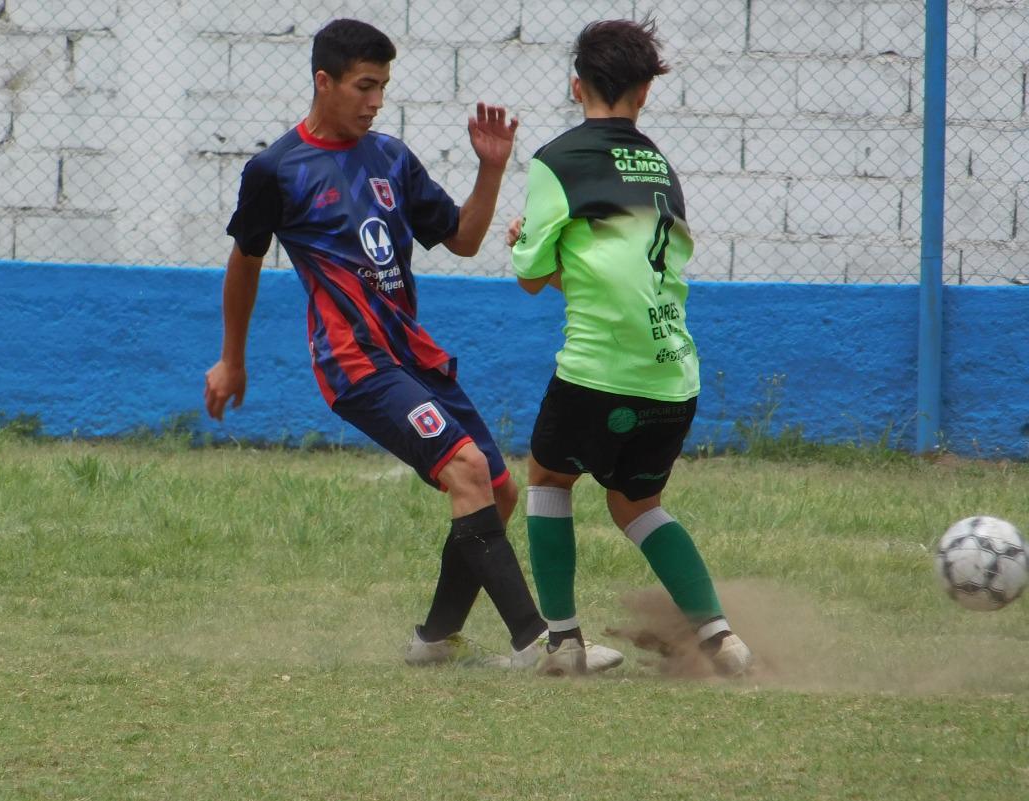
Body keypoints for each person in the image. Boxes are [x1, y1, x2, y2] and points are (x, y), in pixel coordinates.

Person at [205, 18, 595, 673]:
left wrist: (491, 170)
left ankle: (435, 641)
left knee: (495, 493)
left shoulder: (390, 158)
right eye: (364, 86)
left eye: (382, 86)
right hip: (354, 364)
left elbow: (464, 240)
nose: (375, 100)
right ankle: (540, 645)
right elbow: (244, 261)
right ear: (323, 82)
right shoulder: (276, 170)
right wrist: (232, 357)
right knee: (468, 470)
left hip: (412, 354)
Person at [507, 18, 752, 677]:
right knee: (635, 503)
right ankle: (721, 636)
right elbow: (629, 272)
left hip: (599, 371)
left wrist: (525, 242)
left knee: (548, 479)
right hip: (675, 376)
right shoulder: (662, 171)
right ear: (644, 94)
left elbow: (532, 278)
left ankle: (562, 643)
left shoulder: (556, 162)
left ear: (574, 84)